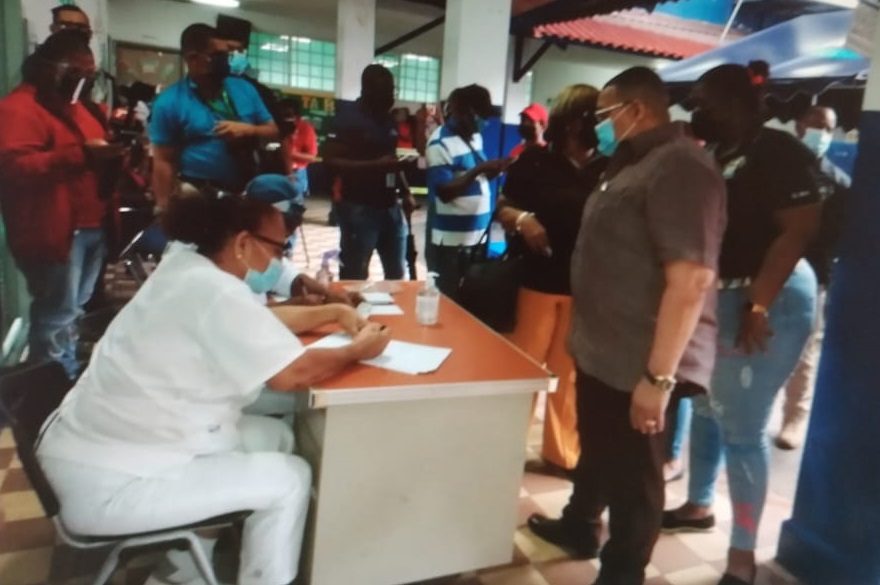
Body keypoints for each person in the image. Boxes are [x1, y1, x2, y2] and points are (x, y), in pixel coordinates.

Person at [36, 193, 391, 585]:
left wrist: (333, 312)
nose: (280, 260)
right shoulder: (212, 290)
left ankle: (183, 567)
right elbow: (291, 375)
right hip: (109, 482)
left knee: (274, 437)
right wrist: (359, 350)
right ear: (241, 243)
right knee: (290, 478)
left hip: (101, 444)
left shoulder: (188, 268)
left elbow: (251, 319)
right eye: (279, 248)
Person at [527, 67, 726, 585]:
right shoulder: (630, 162)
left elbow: (692, 280)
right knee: (597, 444)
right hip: (602, 346)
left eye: (605, 114)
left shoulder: (681, 167)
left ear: (635, 110)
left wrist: (657, 380)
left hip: (641, 357)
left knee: (635, 477)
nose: (599, 125)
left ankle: (622, 573)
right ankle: (580, 525)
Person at [663, 65, 824, 585]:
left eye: (704, 101)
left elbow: (798, 230)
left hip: (765, 299)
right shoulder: (723, 151)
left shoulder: (779, 151)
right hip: (721, 295)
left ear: (734, 101)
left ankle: (741, 556)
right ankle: (698, 504)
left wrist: (757, 306)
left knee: (744, 429)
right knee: (707, 408)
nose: (695, 110)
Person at [0, 30, 124, 378]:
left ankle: (63, 373)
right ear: (50, 67)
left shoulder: (81, 107)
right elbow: (13, 167)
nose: (83, 81)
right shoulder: (18, 109)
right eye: (76, 73)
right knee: (56, 314)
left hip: (91, 223)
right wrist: (81, 155)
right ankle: (46, 387)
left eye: (89, 75)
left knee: (74, 309)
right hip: (54, 229)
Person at [495, 84, 604, 473]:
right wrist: (524, 221)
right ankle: (505, 448)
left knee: (570, 376)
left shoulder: (609, 166)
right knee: (523, 370)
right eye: (598, 116)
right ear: (575, 122)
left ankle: (562, 454)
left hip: (584, 289)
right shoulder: (535, 162)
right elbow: (503, 207)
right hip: (536, 284)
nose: (605, 124)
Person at [775, 105, 850, 450]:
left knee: (805, 352)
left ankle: (794, 417)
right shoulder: (777, 167)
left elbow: (839, 236)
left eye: (829, 128)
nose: (823, 133)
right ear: (799, 125)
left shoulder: (837, 181)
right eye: (816, 125)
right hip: (770, 273)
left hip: (814, 277)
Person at [149, 24, 278, 208]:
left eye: (226, 55)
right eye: (218, 55)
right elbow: (163, 160)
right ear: (192, 59)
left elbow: (273, 131)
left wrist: (249, 130)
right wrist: (163, 207)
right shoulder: (169, 102)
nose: (225, 60)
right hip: (199, 194)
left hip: (249, 191)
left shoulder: (244, 89)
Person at [323, 64, 415, 280]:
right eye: (386, 91)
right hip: (358, 208)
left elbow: (390, 159)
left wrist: (406, 192)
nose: (391, 97)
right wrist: (374, 166)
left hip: (390, 207)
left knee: (396, 274)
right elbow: (330, 161)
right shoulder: (346, 118)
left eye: (393, 90)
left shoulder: (387, 119)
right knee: (355, 275)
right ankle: (352, 313)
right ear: (367, 91)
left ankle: (394, 313)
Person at [424, 84, 509, 299]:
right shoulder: (439, 143)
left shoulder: (474, 137)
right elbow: (444, 191)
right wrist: (479, 169)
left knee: (469, 299)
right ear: (465, 113)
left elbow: (474, 179)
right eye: (480, 116)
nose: (485, 122)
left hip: (476, 236)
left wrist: (493, 170)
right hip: (450, 242)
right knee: (448, 300)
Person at [279, 98, 319, 200]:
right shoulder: (274, 125)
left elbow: (312, 157)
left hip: (297, 172)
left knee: (294, 207)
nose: (285, 119)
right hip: (275, 170)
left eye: (288, 115)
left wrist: (290, 153)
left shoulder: (306, 128)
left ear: (296, 115)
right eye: (282, 114)